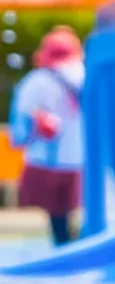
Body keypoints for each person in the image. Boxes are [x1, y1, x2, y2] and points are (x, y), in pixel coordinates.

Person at [6, 26, 86, 246]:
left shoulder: (35, 82)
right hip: (82, 159)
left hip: (46, 160)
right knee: (80, 211)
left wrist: (27, 133)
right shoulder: (87, 76)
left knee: (55, 218)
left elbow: (21, 128)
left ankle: (62, 246)